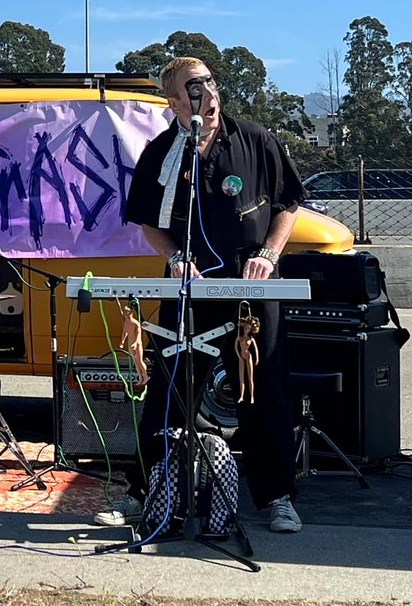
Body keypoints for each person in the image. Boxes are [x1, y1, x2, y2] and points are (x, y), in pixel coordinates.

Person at [93, 56, 305, 534]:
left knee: (261, 390)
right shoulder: (164, 152)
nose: (206, 94)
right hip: (190, 291)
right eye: (193, 87)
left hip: (251, 288)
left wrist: (268, 256)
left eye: (209, 83)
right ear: (172, 102)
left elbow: (289, 204)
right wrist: (173, 257)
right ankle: (143, 492)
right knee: (170, 390)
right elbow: (150, 222)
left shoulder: (254, 138)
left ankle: (277, 498)